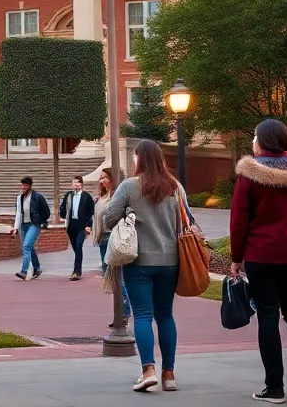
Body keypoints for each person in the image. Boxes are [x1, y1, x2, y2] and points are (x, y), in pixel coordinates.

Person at [229, 119, 287, 404]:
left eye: (254, 137)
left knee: (268, 317)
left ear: (265, 140)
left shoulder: (250, 174)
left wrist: (236, 257)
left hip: (261, 254)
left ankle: (275, 388)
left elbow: (238, 220)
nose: (252, 142)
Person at [103, 139, 182, 393]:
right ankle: (169, 373)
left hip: (138, 260)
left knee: (143, 315)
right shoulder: (175, 187)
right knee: (166, 315)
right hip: (170, 261)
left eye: (136, 157)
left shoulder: (129, 186)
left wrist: (129, 214)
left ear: (140, 159)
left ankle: (148, 369)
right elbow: (186, 220)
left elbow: (108, 219)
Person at [91, 170, 132, 321]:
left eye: (104, 177)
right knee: (109, 273)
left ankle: (125, 312)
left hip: (112, 239)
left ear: (112, 180)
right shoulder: (100, 198)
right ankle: (121, 312)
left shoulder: (116, 197)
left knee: (116, 277)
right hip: (102, 240)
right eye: (100, 178)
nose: (101, 180)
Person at [10, 176, 50, 280]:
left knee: (26, 246)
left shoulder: (37, 197)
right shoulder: (20, 198)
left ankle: (24, 271)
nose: (23, 187)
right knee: (29, 247)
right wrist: (16, 227)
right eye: (22, 185)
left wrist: (40, 222)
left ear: (30, 186)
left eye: (26, 185)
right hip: (23, 225)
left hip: (34, 225)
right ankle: (37, 268)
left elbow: (46, 212)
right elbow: (18, 213)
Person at [59, 175, 94, 280]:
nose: (75, 185)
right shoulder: (69, 195)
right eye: (73, 182)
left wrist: (88, 226)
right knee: (75, 248)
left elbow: (91, 212)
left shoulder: (86, 196)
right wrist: (63, 214)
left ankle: (77, 271)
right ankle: (77, 267)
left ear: (81, 184)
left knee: (79, 246)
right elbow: (63, 207)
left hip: (81, 225)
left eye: (77, 182)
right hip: (71, 225)